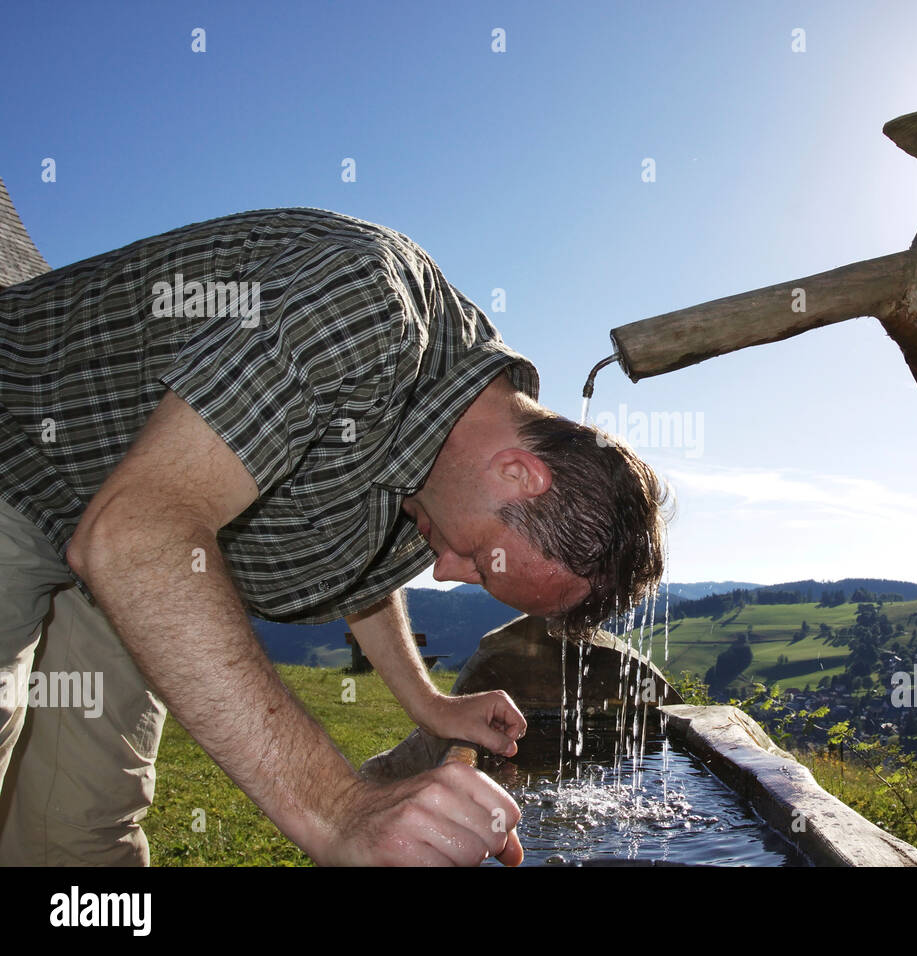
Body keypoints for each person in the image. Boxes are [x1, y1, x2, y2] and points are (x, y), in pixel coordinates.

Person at [0, 207, 668, 866]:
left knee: (82, 828)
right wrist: (340, 811)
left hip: (135, 579)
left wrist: (428, 704)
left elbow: (364, 576)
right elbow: (138, 533)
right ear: (519, 473)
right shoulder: (362, 306)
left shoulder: (449, 482)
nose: (445, 572)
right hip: (23, 465)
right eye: (481, 562)